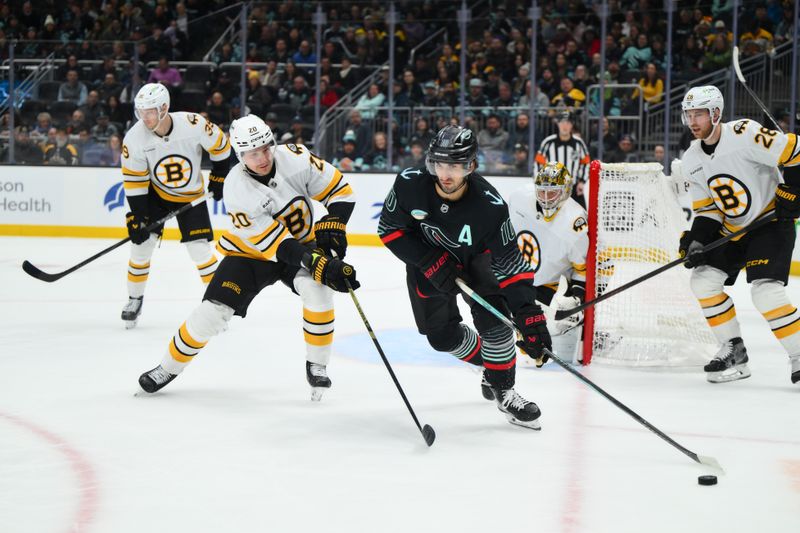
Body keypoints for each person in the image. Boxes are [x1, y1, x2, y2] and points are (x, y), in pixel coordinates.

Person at [138, 115, 359, 400]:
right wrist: (317, 262)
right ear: (240, 154)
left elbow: (341, 190)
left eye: (266, 148)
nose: (262, 157)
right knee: (212, 312)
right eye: (252, 153)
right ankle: (167, 368)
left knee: (318, 292)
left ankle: (317, 364)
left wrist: (336, 222)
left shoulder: (297, 157)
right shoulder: (236, 187)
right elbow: (277, 245)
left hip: (300, 245)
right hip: (251, 253)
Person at [377, 125, 551, 430]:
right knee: (442, 338)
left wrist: (528, 314)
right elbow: (389, 230)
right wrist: (427, 259)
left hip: (477, 262)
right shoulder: (409, 184)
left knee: (496, 325)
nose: (446, 173)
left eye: (455, 166)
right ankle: (492, 363)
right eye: (440, 164)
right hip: (427, 263)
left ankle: (504, 391)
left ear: (470, 165)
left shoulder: (490, 206)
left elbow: (511, 264)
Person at [676, 85, 800, 385]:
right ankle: (735, 350)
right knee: (703, 281)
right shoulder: (691, 160)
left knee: (765, 292)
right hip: (734, 230)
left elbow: (794, 151)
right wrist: (697, 240)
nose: (693, 121)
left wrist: (793, 189)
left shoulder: (745, 133)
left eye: (699, 114)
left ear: (716, 114)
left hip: (770, 222)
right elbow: (708, 210)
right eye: (688, 114)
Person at [120, 83, 232, 328]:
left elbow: (222, 147)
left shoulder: (193, 124)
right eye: (141, 112)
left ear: (164, 107)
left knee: (200, 251)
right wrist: (138, 217)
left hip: (192, 196)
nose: (145, 117)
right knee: (141, 247)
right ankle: (134, 299)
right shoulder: (134, 139)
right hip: (156, 196)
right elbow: (135, 181)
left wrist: (220, 176)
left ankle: (218, 305)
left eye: (149, 111)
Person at [508, 162, 588, 365]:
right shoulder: (518, 199)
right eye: (542, 192)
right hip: (518, 276)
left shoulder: (575, 222)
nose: (545, 199)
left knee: (542, 336)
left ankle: (570, 331)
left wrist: (577, 298)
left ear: (565, 192)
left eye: (552, 193)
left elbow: (582, 270)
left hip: (549, 284)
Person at [534, 110, 590, 207]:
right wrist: (541, 184)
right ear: (557, 123)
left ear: (572, 125)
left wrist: (582, 182)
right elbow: (538, 163)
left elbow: (586, 163)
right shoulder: (548, 142)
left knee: (582, 218)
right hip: (551, 189)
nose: (565, 126)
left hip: (574, 189)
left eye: (568, 123)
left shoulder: (579, 143)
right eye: (562, 122)